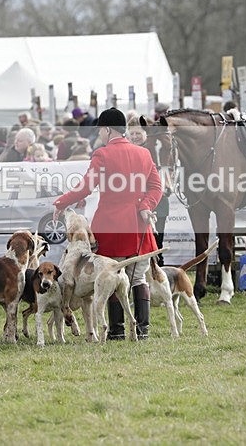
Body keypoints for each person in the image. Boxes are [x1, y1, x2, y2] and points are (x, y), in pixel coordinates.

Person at [53, 108, 162, 340]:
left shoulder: (102, 154)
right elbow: (156, 187)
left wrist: (61, 202)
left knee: (109, 275)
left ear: (106, 129)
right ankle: (142, 331)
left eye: (100, 130)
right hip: (138, 227)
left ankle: (117, 331)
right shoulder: (144, 154)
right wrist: (145, 206)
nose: (100, 135)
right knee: (138, 278)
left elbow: (85, 187)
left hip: (111, 227)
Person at [127, 116, 169, 265]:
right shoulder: (128, 152)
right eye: (131, 134)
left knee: (157, 242)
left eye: (138, 133)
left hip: (158, 201)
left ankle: (158, 272)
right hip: (136, 203)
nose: (134, 137)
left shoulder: (155, 149)